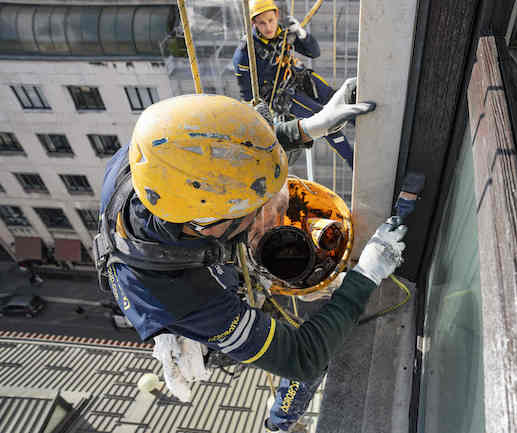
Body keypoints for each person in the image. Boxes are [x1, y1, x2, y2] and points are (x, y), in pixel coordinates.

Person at [93, 81, 405, 432]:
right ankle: (279, 422)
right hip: (181, 295)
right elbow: (302, 356)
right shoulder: (182, 298)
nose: (269, 219)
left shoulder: (154, 155)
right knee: (308, 369)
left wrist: (304, 129)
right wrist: (366, 275)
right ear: (210, 225)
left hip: (184, 251)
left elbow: (218, 157)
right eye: (258, 217)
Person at [232, 0, 356, 168]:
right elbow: (246, 93)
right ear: (254, 23)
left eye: (270, 20)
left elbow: (314, 53)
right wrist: (260, 112)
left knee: (334, 96)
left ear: (276, 16)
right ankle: (352, 160)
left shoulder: (283, 31)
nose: (268, 27)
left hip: (296, 76)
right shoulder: (245, 53)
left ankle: (362, 122)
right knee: (322, 116)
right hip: (280, 94)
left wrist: (301, 34)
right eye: (262, 23)